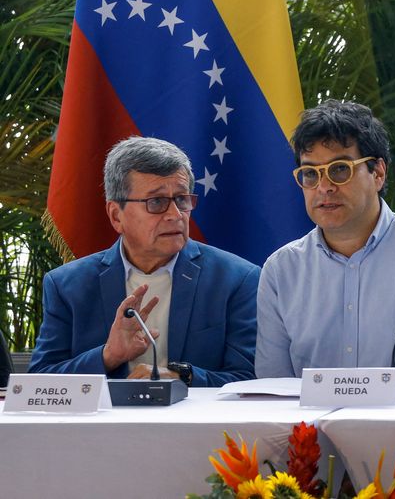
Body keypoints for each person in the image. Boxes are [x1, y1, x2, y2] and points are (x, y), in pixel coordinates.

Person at [255, 100, 395, 389]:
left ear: (378, 173)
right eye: (311, 174)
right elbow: (274, 388)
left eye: (340, 169)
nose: (324, 187)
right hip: (307, 433)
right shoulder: (282, 269)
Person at [29, 136, 259, 387]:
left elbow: (249, 380)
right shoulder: (67, 285)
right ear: (116, 216)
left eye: (182, 199)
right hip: (106, 426)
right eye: (157, 202)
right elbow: (40, 381)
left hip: (196, 425)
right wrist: (109, 356)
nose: (175, 215)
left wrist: (182, 378)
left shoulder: (236, 279)